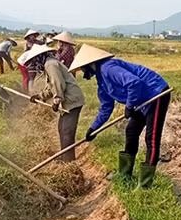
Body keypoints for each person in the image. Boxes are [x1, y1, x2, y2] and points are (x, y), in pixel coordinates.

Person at [69, 44, 170, 189]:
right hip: (141, 100)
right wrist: (94, 128)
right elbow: (106, 108)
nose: (83, 73)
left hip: (156, 93)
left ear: (90, 64)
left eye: (83, 68)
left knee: (151, 138)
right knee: (131, 132)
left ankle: (145, 185)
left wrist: (129, 105)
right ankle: (125, 173)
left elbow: (134, 82)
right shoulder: (101, 82)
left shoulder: (108, 68)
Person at [21, 45, 84, 161]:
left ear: (39, 57)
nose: (33, 65)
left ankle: (69, 161)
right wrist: (40, 97)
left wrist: (57, 100)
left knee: (67, 132)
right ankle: (65, 156)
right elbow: (51, 87)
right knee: (61, 129)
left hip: (72, 101)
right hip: (67, 101)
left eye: (34, 61)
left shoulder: (50, 64)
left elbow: (58, 84)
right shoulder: (48, 64)